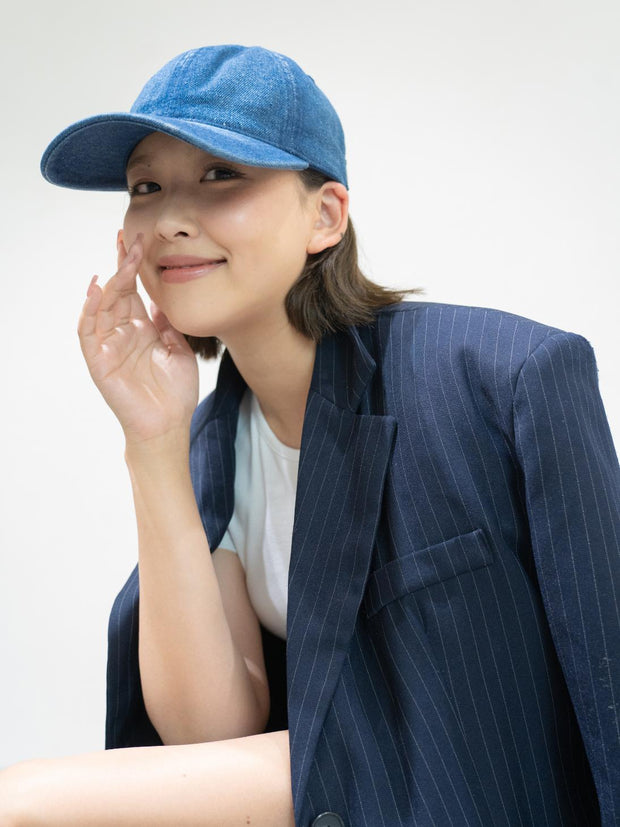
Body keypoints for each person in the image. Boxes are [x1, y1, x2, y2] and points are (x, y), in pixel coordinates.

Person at [1, 44, 617, 826]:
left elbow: (608, 669)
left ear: (324, 216)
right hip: (328, 792)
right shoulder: (214, 443)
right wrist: (151, 442)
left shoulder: (504, 377)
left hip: (464, 797)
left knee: (22, 802)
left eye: (220, 174)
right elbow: (207, 733)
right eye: (146, 187)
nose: (170, 219)